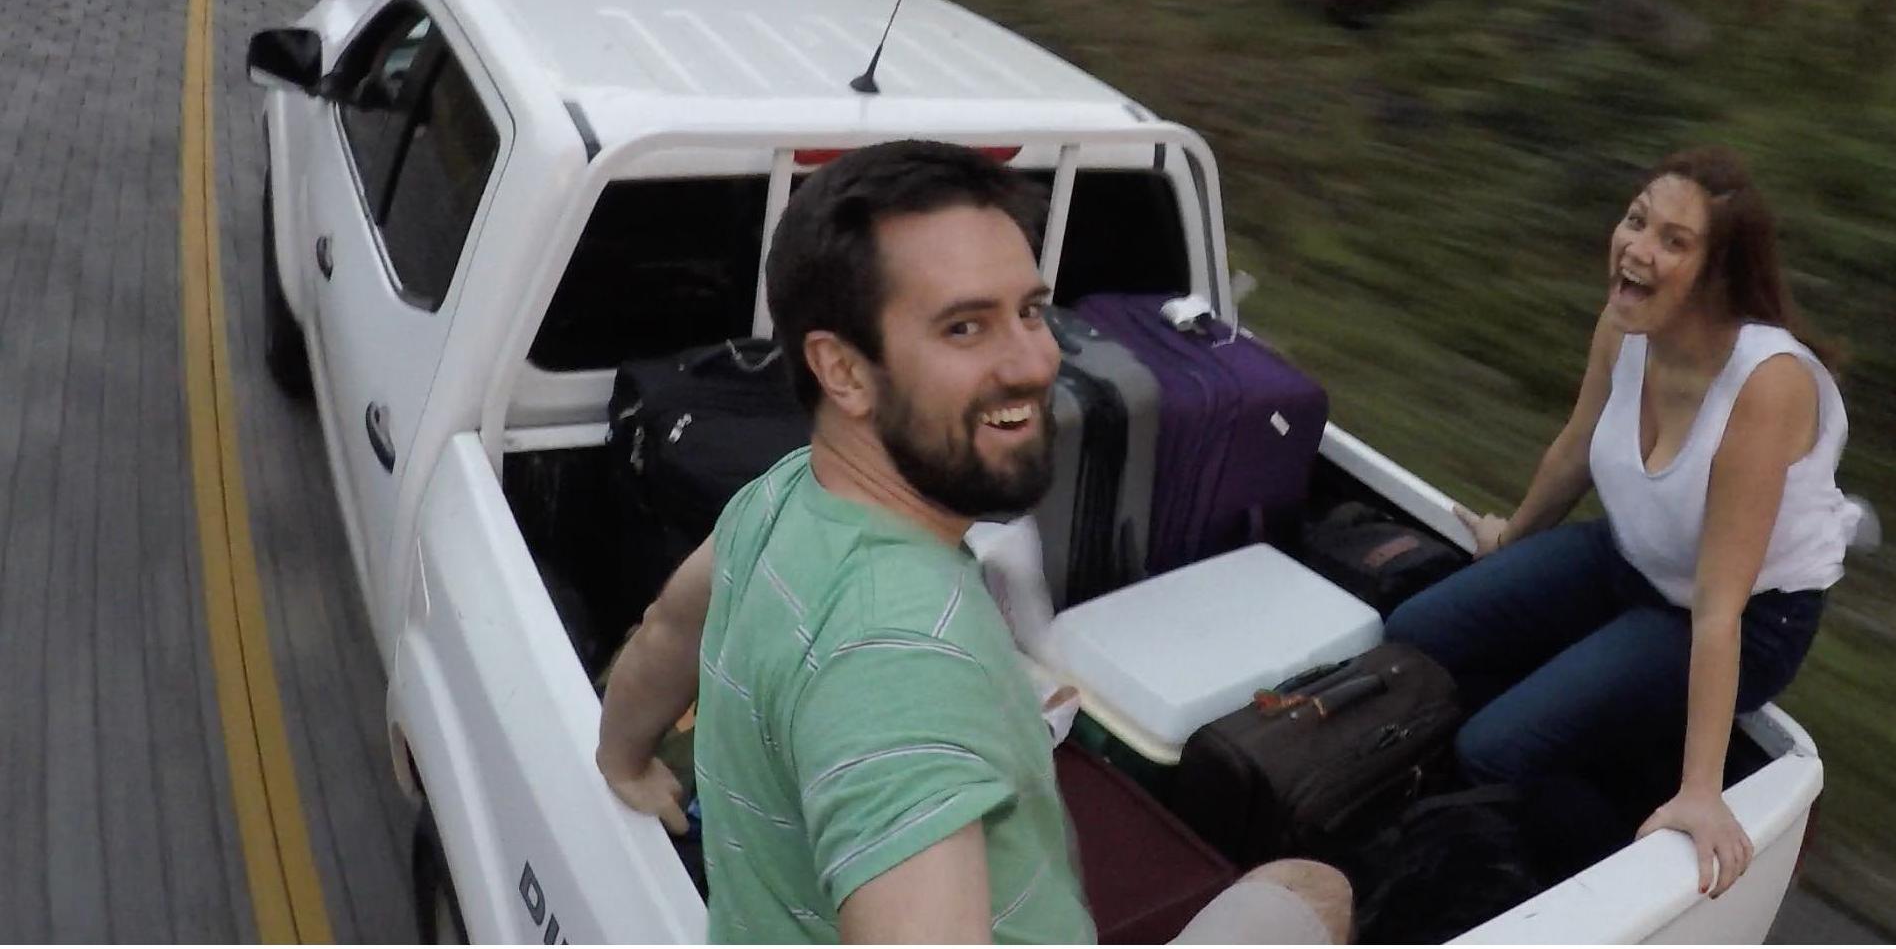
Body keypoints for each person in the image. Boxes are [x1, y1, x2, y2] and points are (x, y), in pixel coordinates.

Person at [596, 139, 1351, 945]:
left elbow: (668, 629)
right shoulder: (901, 655)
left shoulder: (782, 493)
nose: (1036, 361)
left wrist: (625, 761)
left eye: (1030, 310)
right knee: (1314, 887)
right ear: (844, 372)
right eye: (965, 327)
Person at [1385, 147, 1865, 901]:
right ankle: (1578, 734)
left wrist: (1701, 789)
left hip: (1740, 618)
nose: (1637, 248)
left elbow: (1719, 608)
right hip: (1630, 558)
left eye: (1674, 241)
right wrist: (1509, 541)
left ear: (1720, 271)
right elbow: (1578, 446)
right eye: (1637, 220)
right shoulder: (1627, 325)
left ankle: (1597, 857)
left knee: (1493, 751)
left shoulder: (1767, 387)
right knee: (1417, 633)